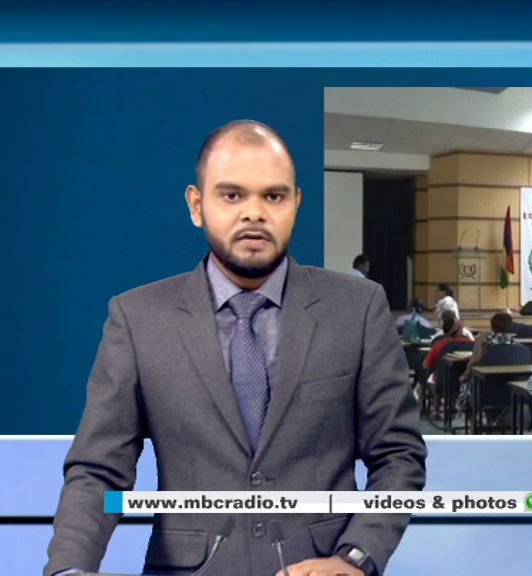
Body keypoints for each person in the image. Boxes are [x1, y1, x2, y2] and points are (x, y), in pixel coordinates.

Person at [45, 120, 426, 576]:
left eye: (274, 196)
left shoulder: (357, 308)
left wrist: (356, 558)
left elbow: (398, 454)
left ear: (296, 204)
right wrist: (69, 569)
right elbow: (98, 470)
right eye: (231, 195)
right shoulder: (138, 318)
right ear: (196, 205)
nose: (254, 213)